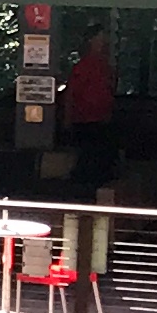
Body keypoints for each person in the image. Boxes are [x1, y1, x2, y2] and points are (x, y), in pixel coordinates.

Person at [63, 25, 119, 197]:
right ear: (91, 40)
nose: (104, 42)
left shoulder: (105, 66)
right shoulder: (83, 66)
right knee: (88, 156)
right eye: (101, 38)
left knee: (100, 156)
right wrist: (68, 117)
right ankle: (82, 191)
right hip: (85, 119)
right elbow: (72, 94)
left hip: (101, 119)